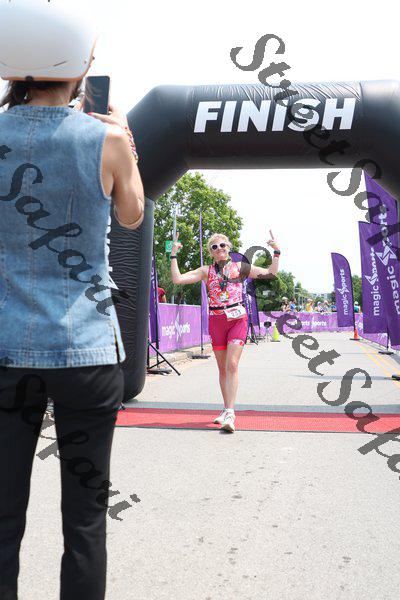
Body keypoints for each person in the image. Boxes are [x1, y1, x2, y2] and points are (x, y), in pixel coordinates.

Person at [0, 2, 144, 599]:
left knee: (2, 519)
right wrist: (126, 143)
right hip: (85, 349)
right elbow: (132, 216)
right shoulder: (106, 140)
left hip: (6, 351)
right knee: (84, 522)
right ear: (81, 66)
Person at [170, 230, 280, 433]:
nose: (219, 249)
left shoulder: (241, 267)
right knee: (222, 368)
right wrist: (174, 253)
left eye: (222, 245)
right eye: (214, 247)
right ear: (211, 252)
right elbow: (177, 279)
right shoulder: (206, 271)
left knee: (232, 364)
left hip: (237, 319)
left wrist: (276, 251)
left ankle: (230, 412)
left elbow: (270, 273)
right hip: (217, 320)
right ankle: (225, 408)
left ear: (229, 247)